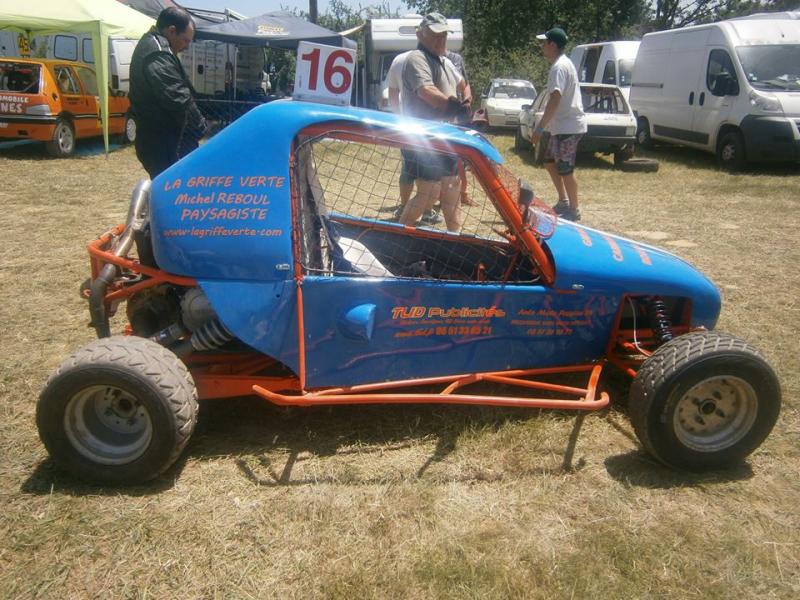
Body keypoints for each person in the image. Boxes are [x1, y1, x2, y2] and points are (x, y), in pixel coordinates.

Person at [399, 13, 471, 232]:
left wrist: (466, 103)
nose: (441, 40)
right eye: (435, 35)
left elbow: (463, 84)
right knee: (427, 196)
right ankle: (398, 234)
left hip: (444, 136)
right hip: (424, 139)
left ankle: (456, 239)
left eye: (444, 35)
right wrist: (455, 107)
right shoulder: (417, 58)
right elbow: (426, 91)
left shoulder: (444, 61)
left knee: (452, 191)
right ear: (420, 35)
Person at [129, 7, 208, 179]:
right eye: (185, 40)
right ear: (172, 31)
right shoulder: (158, 53)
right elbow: (178, 97)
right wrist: (201, 127)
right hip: (162, 142)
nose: (187, 46)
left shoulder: (155, 46)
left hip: (161, 140)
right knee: (174, 188)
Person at [532, 27, 587, 222]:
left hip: (568, 127)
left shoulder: (559, 67)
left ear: (552, 45)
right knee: (549, 162)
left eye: (544, 43)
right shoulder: (561, 64)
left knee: (565, 169)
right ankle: (563, 201)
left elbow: (555, 99)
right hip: (561, 126)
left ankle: (574, 209)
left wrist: (540, 128)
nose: (542, 46)